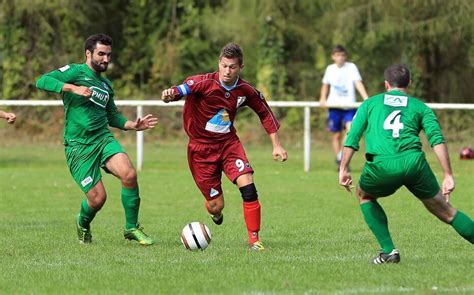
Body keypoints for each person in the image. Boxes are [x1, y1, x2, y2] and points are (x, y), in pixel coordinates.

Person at [339, 64, 474, 264]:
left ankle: (388, 251)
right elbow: (436, 139)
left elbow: (352, 137)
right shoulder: (420, 107)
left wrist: (343, 168)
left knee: (364, 194)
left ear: (386, 84)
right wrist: (448, 174)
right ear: (409, 83)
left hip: (382, 165)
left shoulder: (369, 104)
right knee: (446, 212)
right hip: (414, 164)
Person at [161, 43, 287, 251]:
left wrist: (277, 145)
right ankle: (215, 213)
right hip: (201, 150)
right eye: (224, 66)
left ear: (241, 67)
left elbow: (264, 112)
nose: (227, 71)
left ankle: (254, 240)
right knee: (216, 205)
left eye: (232, 67)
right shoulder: (203, 82)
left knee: (248, 186)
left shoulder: (245, 90)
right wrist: (169, 94)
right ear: (219, 63)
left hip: (229, 144)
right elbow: (181, 90)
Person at [36, 33, 158, 245]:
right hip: (78, 146)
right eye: (101, 54)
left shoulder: (106, 85)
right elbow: (42, 80)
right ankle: (83, 223)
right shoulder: (76, 72)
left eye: (109, 55)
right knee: (97, 198)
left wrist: (132, 125)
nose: (106, 59)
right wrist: (73, 88)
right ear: (88, 53)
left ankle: (131, 227)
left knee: (129, 174)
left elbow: (112, 115)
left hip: (102, 138)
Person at [319, 45, 368, 168]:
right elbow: (325, 84)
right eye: (338, 55)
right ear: (333, 57)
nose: (340, 58)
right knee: (336, 135)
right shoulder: (330, 69)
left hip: (349, 106)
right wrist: (323, 98)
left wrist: (366, 98)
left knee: (350, 131)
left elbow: (358, 83)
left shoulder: (351, 67)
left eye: (342, 55)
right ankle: (339, 157)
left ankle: (343, 158)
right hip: (334, 106)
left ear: (345, 56)